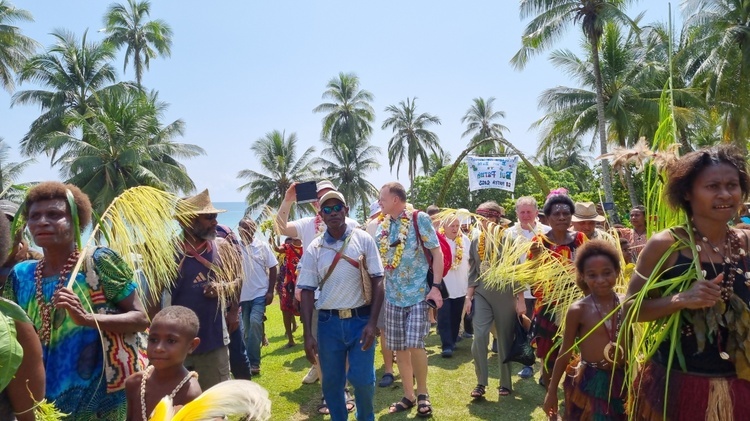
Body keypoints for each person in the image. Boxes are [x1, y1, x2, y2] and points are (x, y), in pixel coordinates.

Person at [3, 182, 149, 419]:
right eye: (34, 216)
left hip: (99, 398)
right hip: (41, 397)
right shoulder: (21, 275)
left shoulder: (99, 262)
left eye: (54, 214)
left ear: (77, 221)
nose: (42, 222)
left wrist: (87, 318)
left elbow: (141, 319)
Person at [627, 146, 750, 419]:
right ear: (686, 192)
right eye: (712, 186)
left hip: (740, 383)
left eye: (733, 185)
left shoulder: (746, 242)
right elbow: (629, 309)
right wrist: (681, 299)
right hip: (679, 385)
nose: (725, 194)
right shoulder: (666, 246)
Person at [298, 190, 385, 421]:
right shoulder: (314, 249)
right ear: (321, 216)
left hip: (360, 321)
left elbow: (378, 279)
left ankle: (366, 417)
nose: (333, 212)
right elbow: (306, 291)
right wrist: (308, 334)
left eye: (338, 208)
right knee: (332, 382)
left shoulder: (363, 239)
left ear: (346, 211)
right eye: (327, 209)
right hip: (328, 324)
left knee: (362, 379)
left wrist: (372, 323)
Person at [152, 189, 240, 391]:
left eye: (215, 217)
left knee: (216, 404)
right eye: (209, 217)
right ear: (186, 221)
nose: (215, 222)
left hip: (214, 342)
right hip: (177, 348)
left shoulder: (222, 248)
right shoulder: (167, 255)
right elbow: (154, 300)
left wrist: (228, 299)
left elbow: (238, 280)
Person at [276, 180, 358, 387]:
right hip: (315, 295)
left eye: (329, 195)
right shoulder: (306, 224)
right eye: (318, 197)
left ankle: (342, 387)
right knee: (317, 341)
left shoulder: (353, 225)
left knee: (343, 343)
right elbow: (280, 227)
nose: (321, 199)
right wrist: (287, 201)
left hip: (344, 293)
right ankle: (325, 386)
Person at [378, 182, 444, 417]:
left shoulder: (419, 218)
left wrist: (435, 287)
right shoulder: (381, 227)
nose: (379, 202)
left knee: (415, 343)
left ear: (396, 199)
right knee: (400, 349)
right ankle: (408, 395)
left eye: (382, 198)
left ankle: (423, 393)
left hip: (417, 294)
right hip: (393, 297)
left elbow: (437, 253)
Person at [543, 240, 627, 420]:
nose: (601, 280)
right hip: (590, 380)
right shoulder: (578, 310)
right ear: (583, 277)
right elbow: (564, 352)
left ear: (617, 272)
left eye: (607, 273)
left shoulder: (628, 303)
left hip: (623, 379)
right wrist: (551, 392)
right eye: (592, 275)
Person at [467, 201, 526, 400]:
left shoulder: (509, 239)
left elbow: (517, 271)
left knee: (504, 339)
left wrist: (520, 299)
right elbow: (473, 271)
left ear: (496, 218)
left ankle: (505, 383)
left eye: (488, 218)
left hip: (505, 293)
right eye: (480, 218)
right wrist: (468, 297)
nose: (484, 222)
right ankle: (481, 382)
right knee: (480, 336)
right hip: (482, 294)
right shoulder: (476, 241)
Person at [531, 194, 587, 389]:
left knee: (575, 349)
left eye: (566, 213)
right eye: (557, 214)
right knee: (548, 351)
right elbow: (530, 275)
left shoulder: (580, 239)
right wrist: (536, 258)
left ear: (572, 216)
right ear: (547, 218)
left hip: (576, 303)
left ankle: (572, 388)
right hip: (549, 305)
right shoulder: (540, 242)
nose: (562, 217)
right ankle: (548, 386)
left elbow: (587, 268)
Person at [125, 305, 202, 421]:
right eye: (153, 340)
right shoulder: (134, 383)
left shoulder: (190, 393)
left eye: (171, 341)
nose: (158, 348)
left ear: (191, 345)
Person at [503, 196, 550, 379]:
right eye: (521, 212)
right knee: (525, 327)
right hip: (519, 290)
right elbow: (509, 266)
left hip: (543, 290)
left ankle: (546, 367)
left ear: (536, 213)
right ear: (516, 213)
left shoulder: (547, 232)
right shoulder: (509, 234)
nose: (525, 215)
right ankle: (528, 363)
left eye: (528, 212)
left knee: (544, 328)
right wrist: (518, 297)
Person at [238, 218, 278, 375]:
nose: (246, 231)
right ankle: (247, 360)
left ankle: (254, 362)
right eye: (243, 228)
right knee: (247, 330)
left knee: (255, 323)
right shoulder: (235, 247)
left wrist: (270, 291)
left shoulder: (262, 246)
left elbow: (273, 267)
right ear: (239, 230)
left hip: (259, 294)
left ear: (254, 230)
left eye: (249, 228)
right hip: (242, 296)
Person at [272, 236, 301, 348]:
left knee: (307, 311)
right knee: (286, 310)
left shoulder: (307, 247)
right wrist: (273, 238)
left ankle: (308, 336)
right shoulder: (285, 250)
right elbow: (277, 249)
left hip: (303, 282)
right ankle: (290, 339)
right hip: (288, 285)